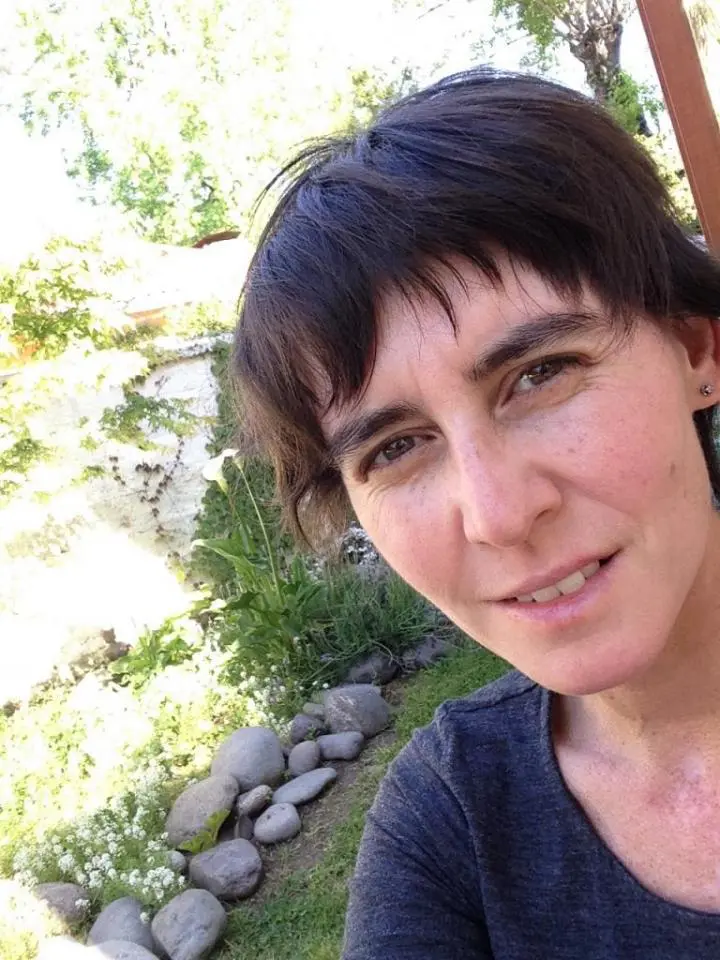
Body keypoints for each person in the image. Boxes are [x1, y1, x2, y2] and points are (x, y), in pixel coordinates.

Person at [232, 68, 720, 958]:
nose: (497, 514)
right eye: (396, 447)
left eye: (541, 374)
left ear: (695, 346)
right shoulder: (449, 825)